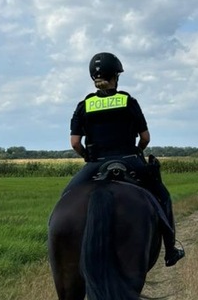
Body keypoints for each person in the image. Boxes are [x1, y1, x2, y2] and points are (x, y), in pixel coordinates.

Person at [66, 52, 186, 267]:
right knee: (163, 197)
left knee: (66, 198)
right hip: (130, 159)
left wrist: (88, 157)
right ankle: (170, 250)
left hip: (95, 163)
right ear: (116, 77)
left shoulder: (84, 105)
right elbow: (145, 138)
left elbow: (75, 142)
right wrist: (137, 151)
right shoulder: (128, 101)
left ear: (93, 77)